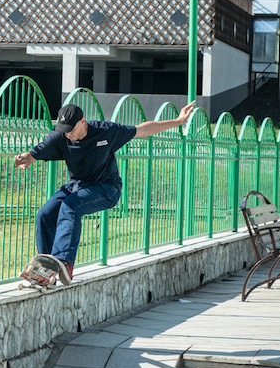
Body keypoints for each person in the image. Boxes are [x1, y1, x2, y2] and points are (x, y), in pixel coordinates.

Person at [14, 99, 197, 285]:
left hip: (107, 188)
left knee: (71, 206)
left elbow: (143, 130)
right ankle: (46, 271)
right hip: (77, 185)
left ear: (83, 121)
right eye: (64, 130)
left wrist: (179, 121)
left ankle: (64, 263)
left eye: (71, 129)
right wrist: (25, 159)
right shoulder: (60, 136)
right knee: (45, 214)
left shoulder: (106, 131)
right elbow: (35, 153)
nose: (68, 134)